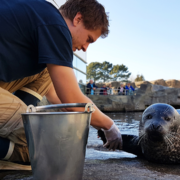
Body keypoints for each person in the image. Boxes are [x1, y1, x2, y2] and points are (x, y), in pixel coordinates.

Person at [0, 0, 122, 163]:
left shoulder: (40, 14)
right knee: (45, 146)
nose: (85, 48)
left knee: (46, 71)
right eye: (89, 39)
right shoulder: (55, 25)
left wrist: (92, 124)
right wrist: (109, 126)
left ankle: (14, 126)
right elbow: (72, 100)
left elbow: (58, 97)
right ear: (78, 19)